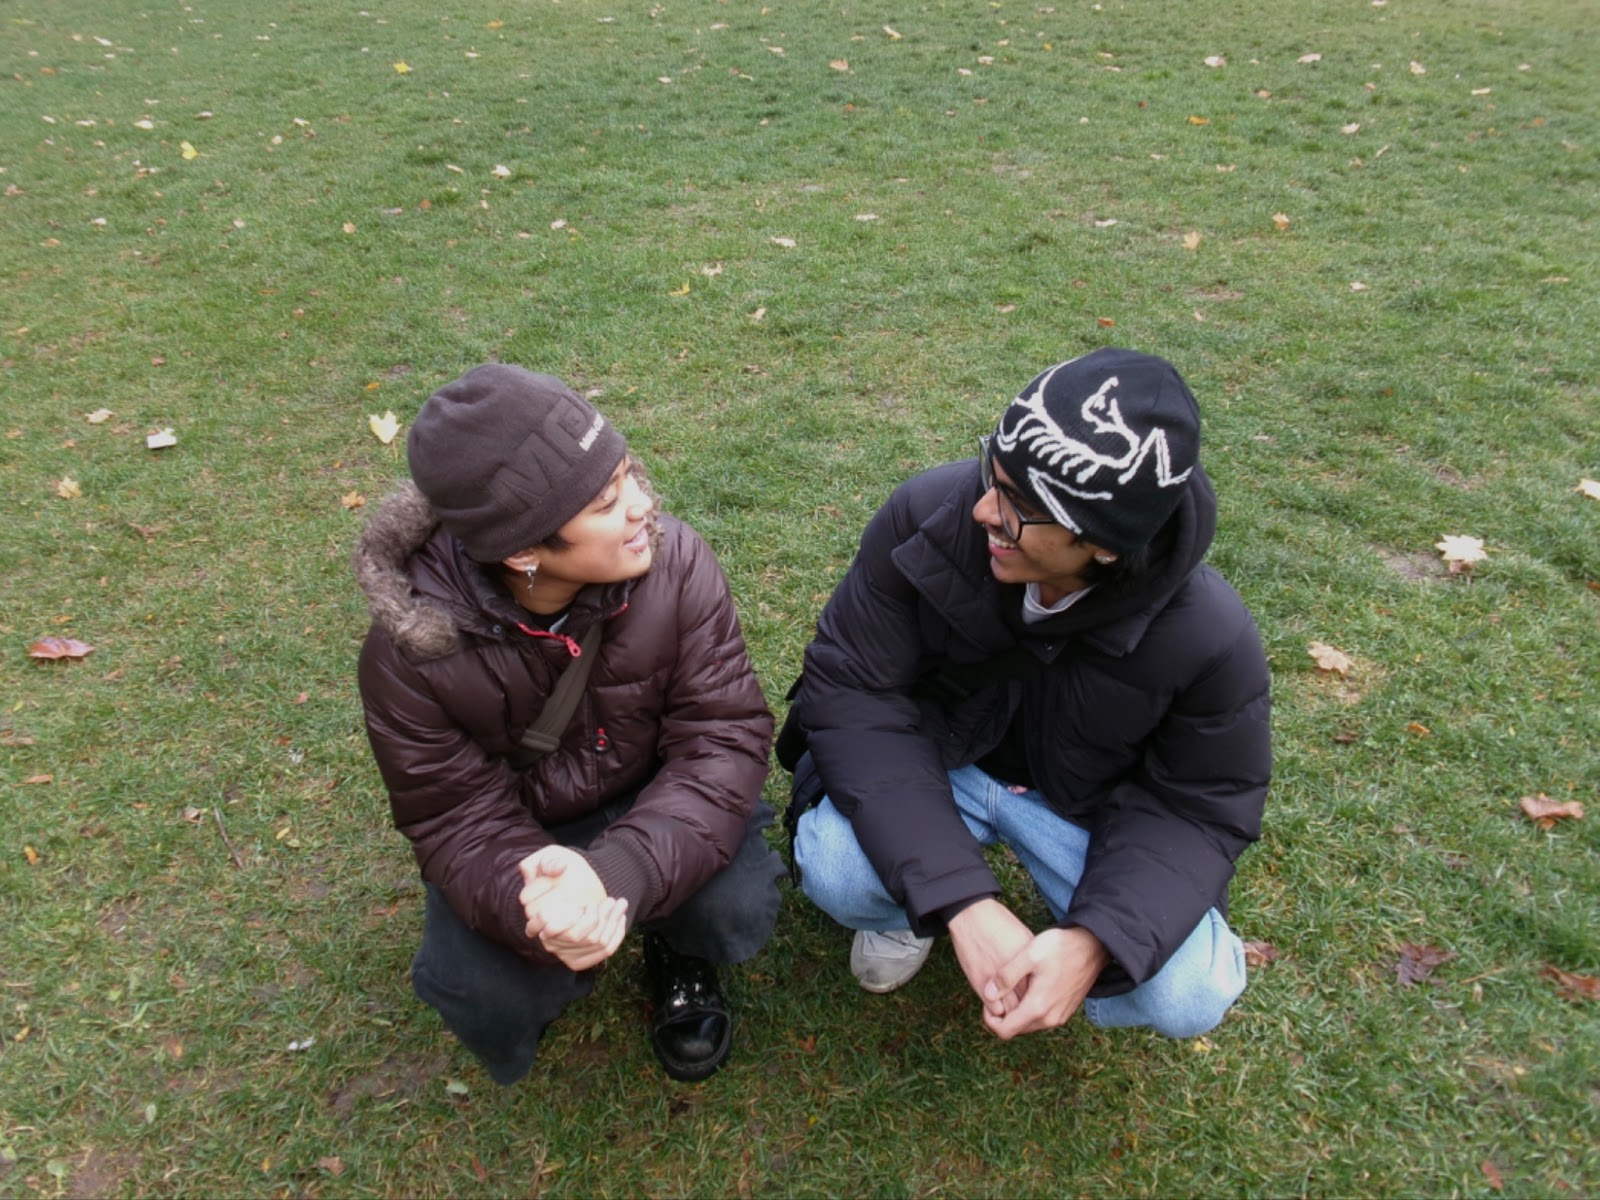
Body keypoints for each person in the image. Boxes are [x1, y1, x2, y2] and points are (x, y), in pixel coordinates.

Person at [782, 347, 1271, 1041]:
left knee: (1188, 994)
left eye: (1018, 507)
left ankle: (1055, 959)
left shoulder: (1211, 637)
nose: (982, 509)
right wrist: (959, 900)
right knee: (834, 866)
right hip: (940, 765)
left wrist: (1096, 941)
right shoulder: (928, 514)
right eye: (994, 472)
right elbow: (854, 692)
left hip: (1082, 810)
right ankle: (910, 912)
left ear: (1103, 546)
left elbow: (1199, 806)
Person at [354, 363, 784, 1085]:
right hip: (528, 840)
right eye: (610, 501)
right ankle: (563, 959)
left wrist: (622, 873)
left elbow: (723, 737)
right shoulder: (408, 657)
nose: (646, 505)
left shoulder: (675, 564)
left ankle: (676, 946)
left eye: (630, 476)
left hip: (658, 793)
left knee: (735, 902)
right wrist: (548, 905)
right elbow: (454, 822)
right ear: (523, 551)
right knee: (485, 990)